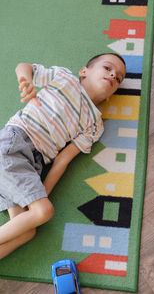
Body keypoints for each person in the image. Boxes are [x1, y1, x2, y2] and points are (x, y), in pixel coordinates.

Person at [0, 53, 126, 259]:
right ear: (84, 72)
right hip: (15, 142)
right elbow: (24, 66)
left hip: (32, 166)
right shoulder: (65, 78)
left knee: (28, 231)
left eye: (118, 78)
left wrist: (41, 196)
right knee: (43, 212)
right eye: (108, 68)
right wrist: (26, 80)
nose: (113, 75)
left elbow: (63, 159)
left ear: (111, 95)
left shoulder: (95, 125)